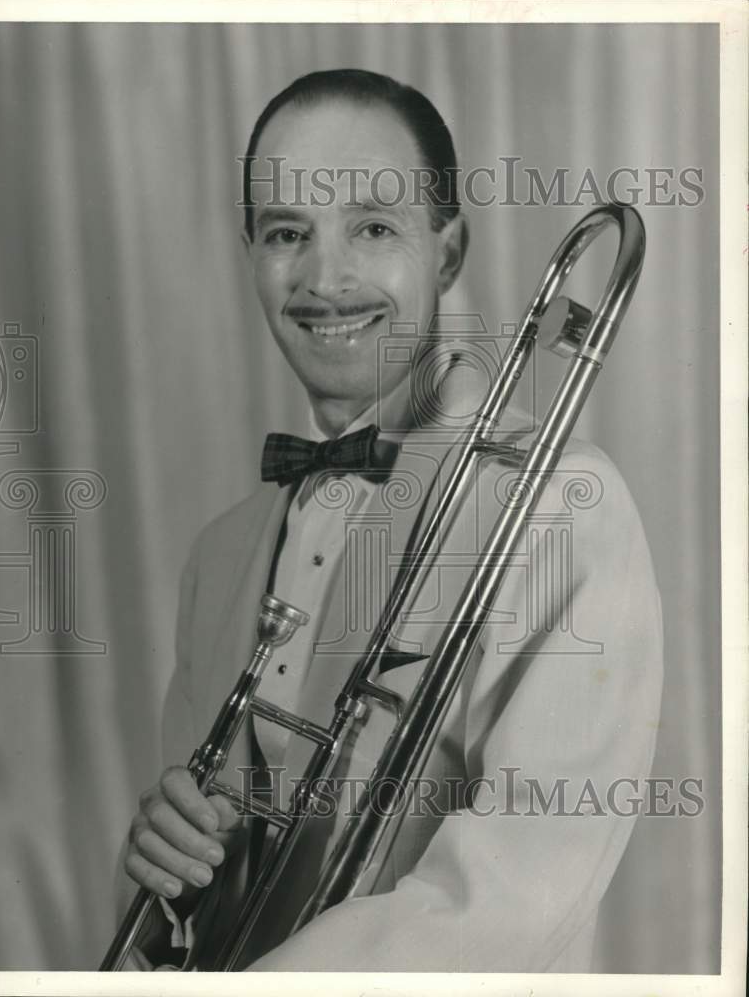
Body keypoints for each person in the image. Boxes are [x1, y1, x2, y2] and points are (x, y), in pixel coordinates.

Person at [114, 69, 663, 972]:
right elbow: (188, 899)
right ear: (250, 250)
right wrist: (165, 884)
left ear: (447, 251)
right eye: (288, 232)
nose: (325, 279)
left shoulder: (563, 501)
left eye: (373, 227)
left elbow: (518, 890)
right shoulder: (219, 554)